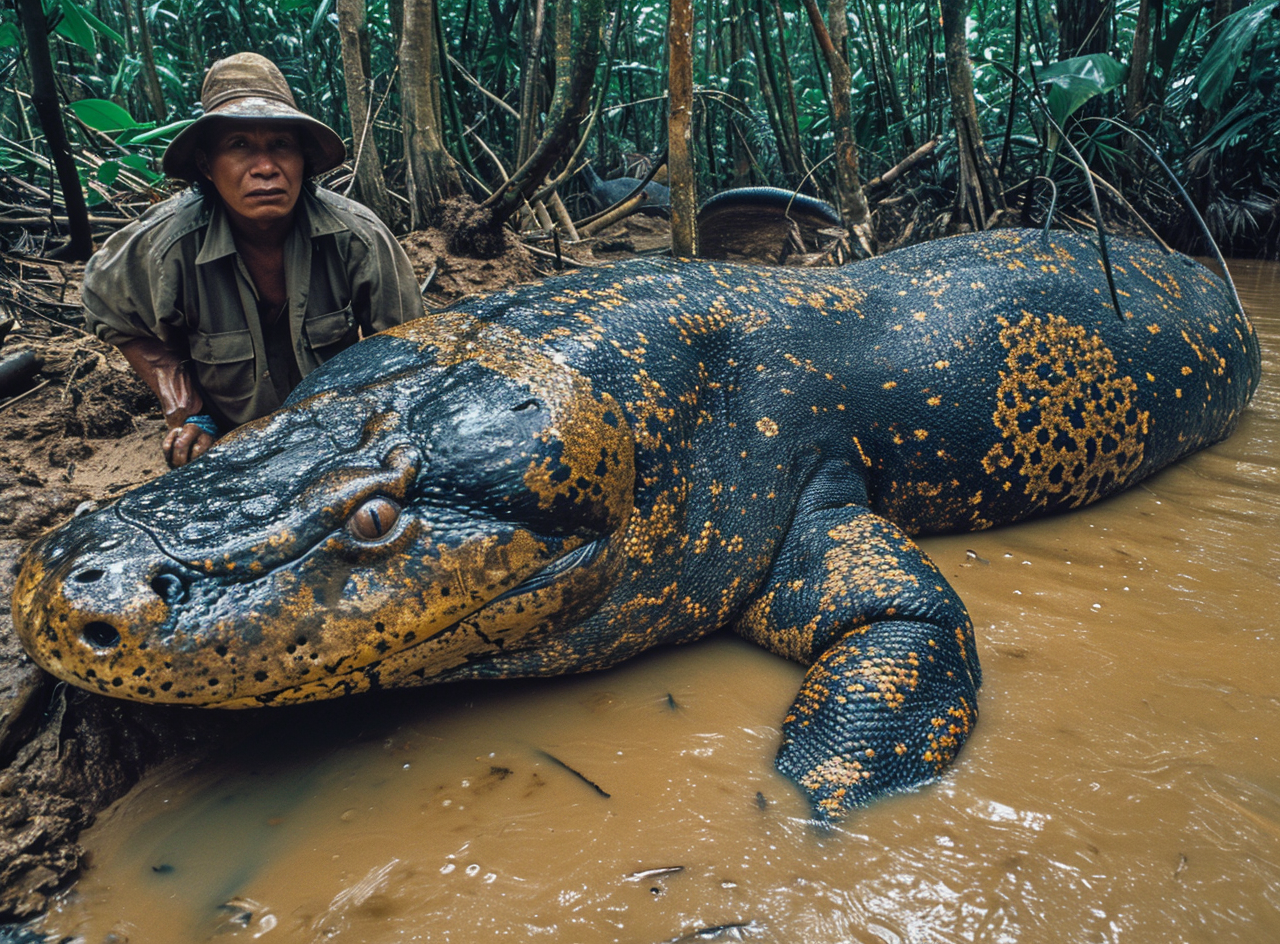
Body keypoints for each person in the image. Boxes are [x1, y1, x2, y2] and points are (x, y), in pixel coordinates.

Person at [82, 53, 422, 468]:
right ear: (207, 166)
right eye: (238, 145)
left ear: (303, 160)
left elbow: (412, 356)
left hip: (337, 441)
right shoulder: (165, 244)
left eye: (280, 144)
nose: (265, 168)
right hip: (228, 444)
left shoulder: (359, 238)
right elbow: (104, 304)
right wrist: (186, 407)